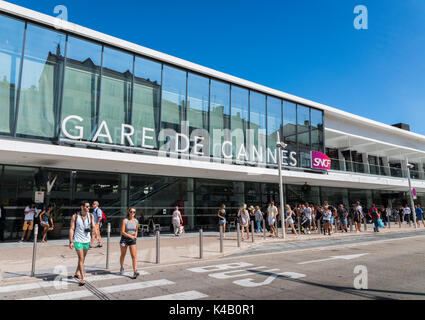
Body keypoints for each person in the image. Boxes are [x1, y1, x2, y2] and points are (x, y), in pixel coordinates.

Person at [69, 201, 96, 286]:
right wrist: (71, 241)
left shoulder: (90, 215)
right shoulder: (75, 216)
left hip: (86, 240)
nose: (89, 208)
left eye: (89, 207)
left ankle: (77, 272)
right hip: (78, 240)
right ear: (82, 207)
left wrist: (92, 240)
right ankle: (83, 278)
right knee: (81, 258)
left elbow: (94, 227)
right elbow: (71, 229)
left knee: (82, 258)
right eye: (87, 206)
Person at [119, 207, 140, 279]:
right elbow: (123, 231)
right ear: (128, 212)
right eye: (131, 212)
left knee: (134, 256)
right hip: (124, 239)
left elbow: (136, 230)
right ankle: (122, 267)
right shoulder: (125, 220)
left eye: (134, 212)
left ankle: (135, 271)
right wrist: (130, 236)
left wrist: (135, 236)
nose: (132, 213)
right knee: (123, 255)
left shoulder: (136, 221)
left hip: (132, 240)